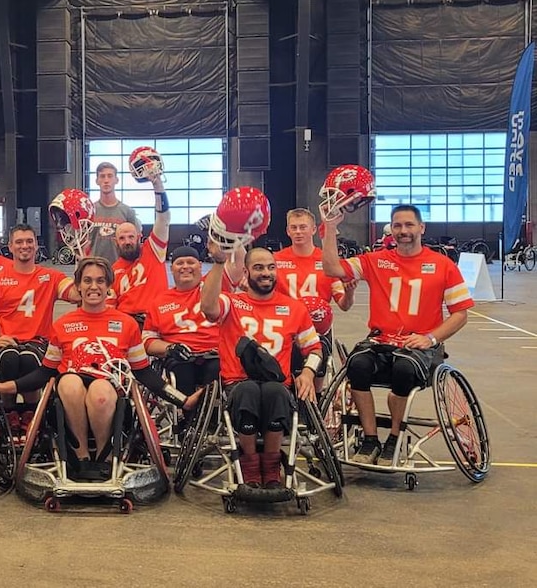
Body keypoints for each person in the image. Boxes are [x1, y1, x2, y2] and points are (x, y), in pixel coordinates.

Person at [0, 257, 198, 481]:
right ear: (79, 286)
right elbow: (45, 372)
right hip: (67, 398)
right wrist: (3, 386)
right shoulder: (63, 325)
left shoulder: (127, 324)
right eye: (88, 281)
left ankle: (104, 457)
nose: (94, 286)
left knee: (100, 390)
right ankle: (80, 456)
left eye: (100, 281)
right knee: (70, 382)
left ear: (109, 287)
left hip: (111, 396)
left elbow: (143, 372)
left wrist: (182, 400)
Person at [321, 204, 474, 465]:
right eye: (398, 225)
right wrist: (331, 227)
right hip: (381, 340)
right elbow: (332, 269)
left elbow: (461, 313)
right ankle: (370, 439)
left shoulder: (443, 265)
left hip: (421, 346)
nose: (403, 231)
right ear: (391, 229)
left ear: (421, 228)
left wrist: (431, 338)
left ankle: (394, 437)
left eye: (409, 225)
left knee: (404, 369)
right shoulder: (375, 260)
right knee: (356, 365)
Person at [200, 245, 323, 491]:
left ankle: (272, 464)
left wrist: (308, 373)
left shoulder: (294, 308)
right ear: (245, 272)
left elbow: (315, 349)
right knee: (248, 391)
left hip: (277, 384)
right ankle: (250, 463)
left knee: (274, 392)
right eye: (258, 268)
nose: (265, 273)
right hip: (238, 382)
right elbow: (209, 308)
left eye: (270, 267)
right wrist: (218, 263)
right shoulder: (232, 303)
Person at [0, 224, 80, 421]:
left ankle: (30, 412)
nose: (24, 246)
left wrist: (83, 260)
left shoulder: (51, 277)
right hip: (7, 341)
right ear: (10, 246)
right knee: (9, 358)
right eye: (19, 242)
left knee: (28, 359)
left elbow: (77, 295)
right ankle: (8, 411)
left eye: (29, 241)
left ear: (36, 246)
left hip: (38, 341)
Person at [273, 208, 356, 375]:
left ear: (313, 229)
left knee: (317, 369)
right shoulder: (275, 260)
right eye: (294, 228)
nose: (298, 232)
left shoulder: (328, 262)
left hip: (318, 328)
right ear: (288, 231)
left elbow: (344, 305)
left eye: (303, 227)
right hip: (285, 328)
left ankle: (317, 397)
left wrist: (349, 292)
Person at [142, 245, 220, 396]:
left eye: (190, 262)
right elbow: (147, 341)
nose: (185, 267)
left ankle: (211, 415)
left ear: (200, 265)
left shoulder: (214, 288)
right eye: (180, 263)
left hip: (213, 354)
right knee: (182, 370)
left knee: (217, 369)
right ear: (172, 269)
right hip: (180, 358)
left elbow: (234, 268)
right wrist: (169, 348)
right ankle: (188, 416)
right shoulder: (159, 301)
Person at [110, 170, 169, 326]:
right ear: (116, 242)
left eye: (131, 236)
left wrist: (157, 185)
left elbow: (163, 218)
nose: (127, 241)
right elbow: (110, 308)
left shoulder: (154, 251)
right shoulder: (112, 271)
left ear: (139, 237)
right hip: (126, 322)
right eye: (122, 238)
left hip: (155, 319)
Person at [89, 162, 140, 263]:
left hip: (120, 269)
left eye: (110, 176)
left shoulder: (128, 212)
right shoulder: (89, 211)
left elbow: (136, 244)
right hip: (96, 269)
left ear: (116, 180)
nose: (106, 180)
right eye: (102, 176)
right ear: (97, 181)